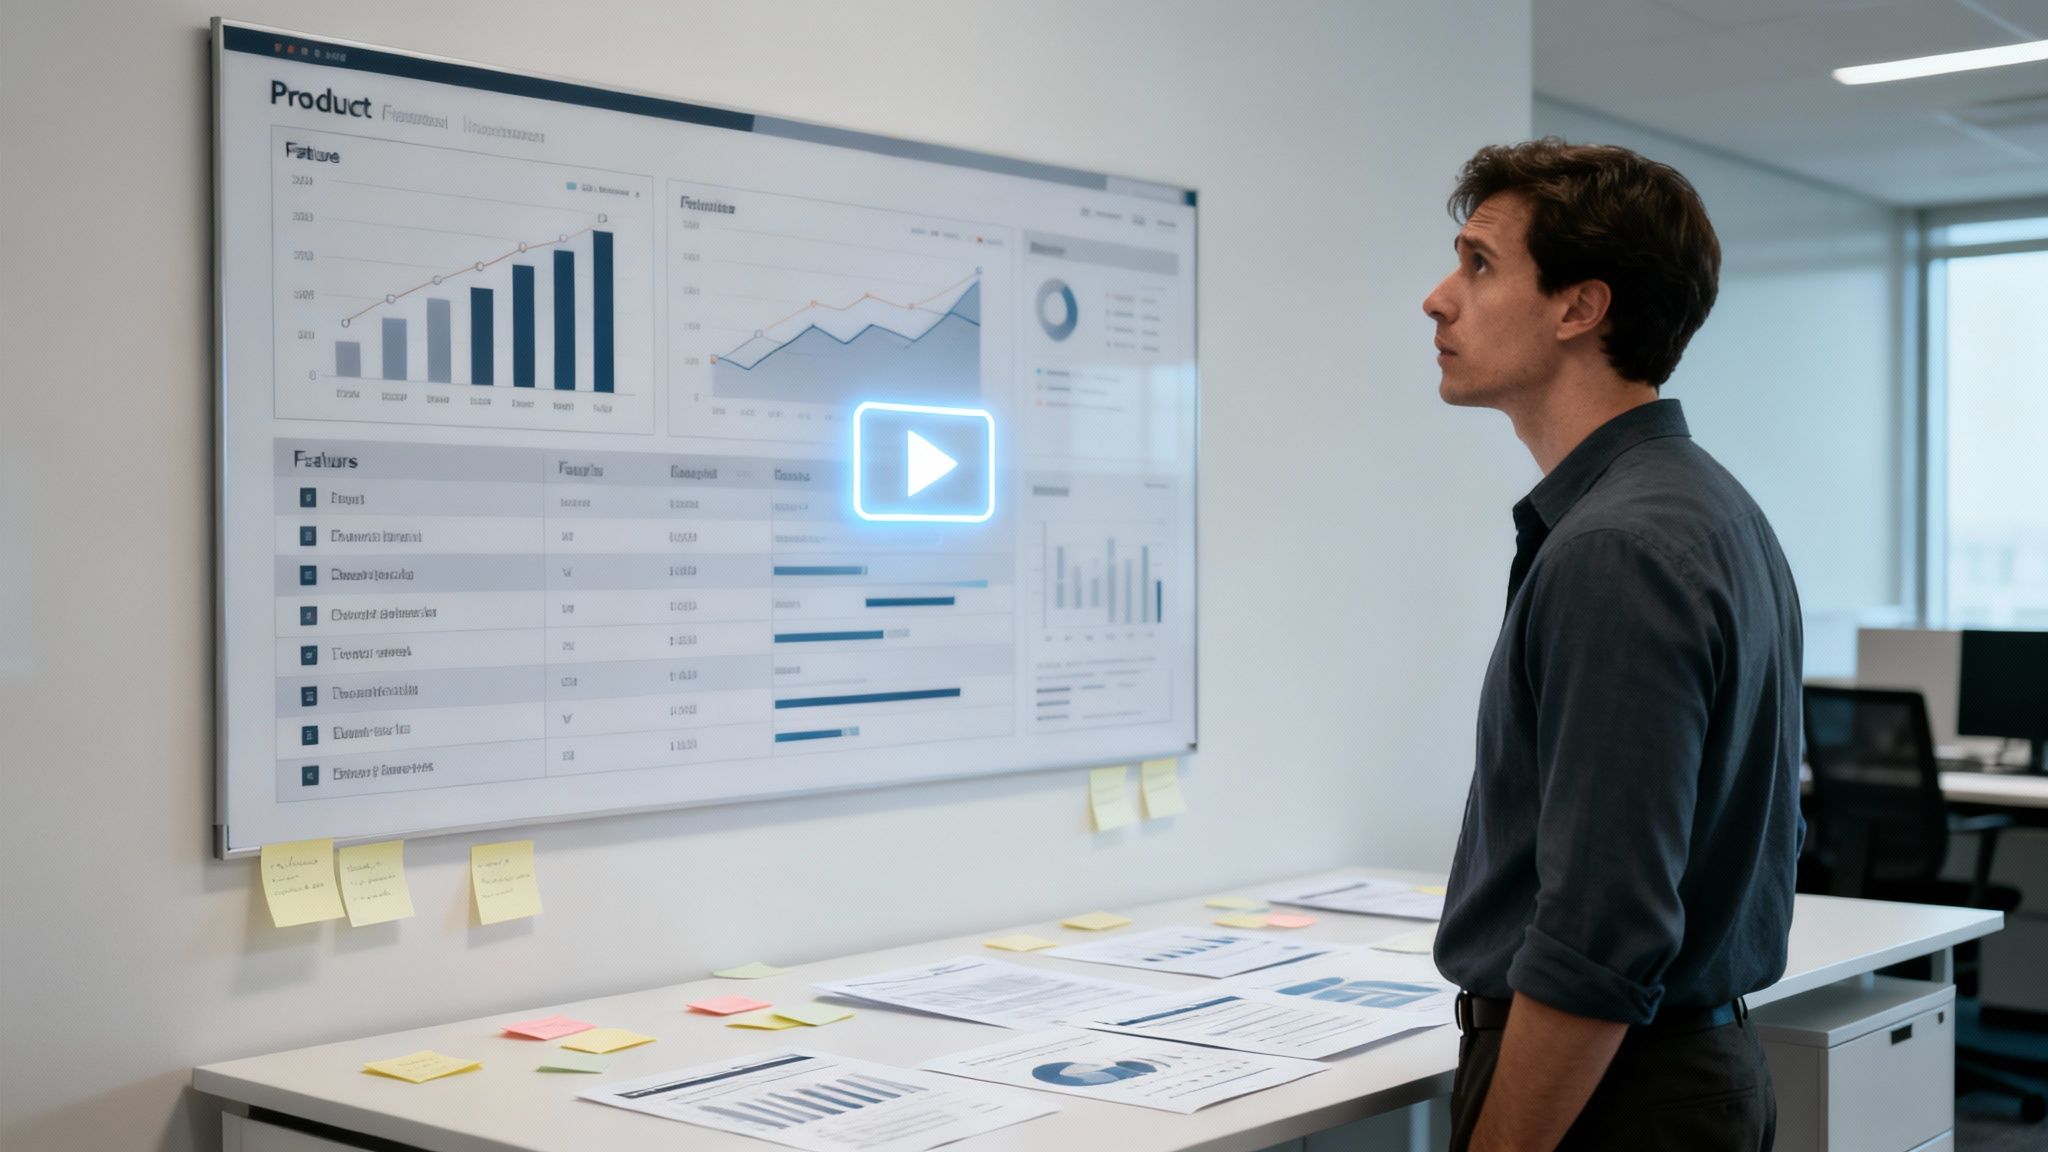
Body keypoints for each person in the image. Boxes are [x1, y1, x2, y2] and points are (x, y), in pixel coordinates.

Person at [1423, 138, 1803, 1151]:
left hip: (1611, 1099)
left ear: (1576, 308)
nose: (1436, 298)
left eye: (1478, 264)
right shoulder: (1700, 506)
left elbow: (1600, 932)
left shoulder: (1617, 549)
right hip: (1669, 1075)